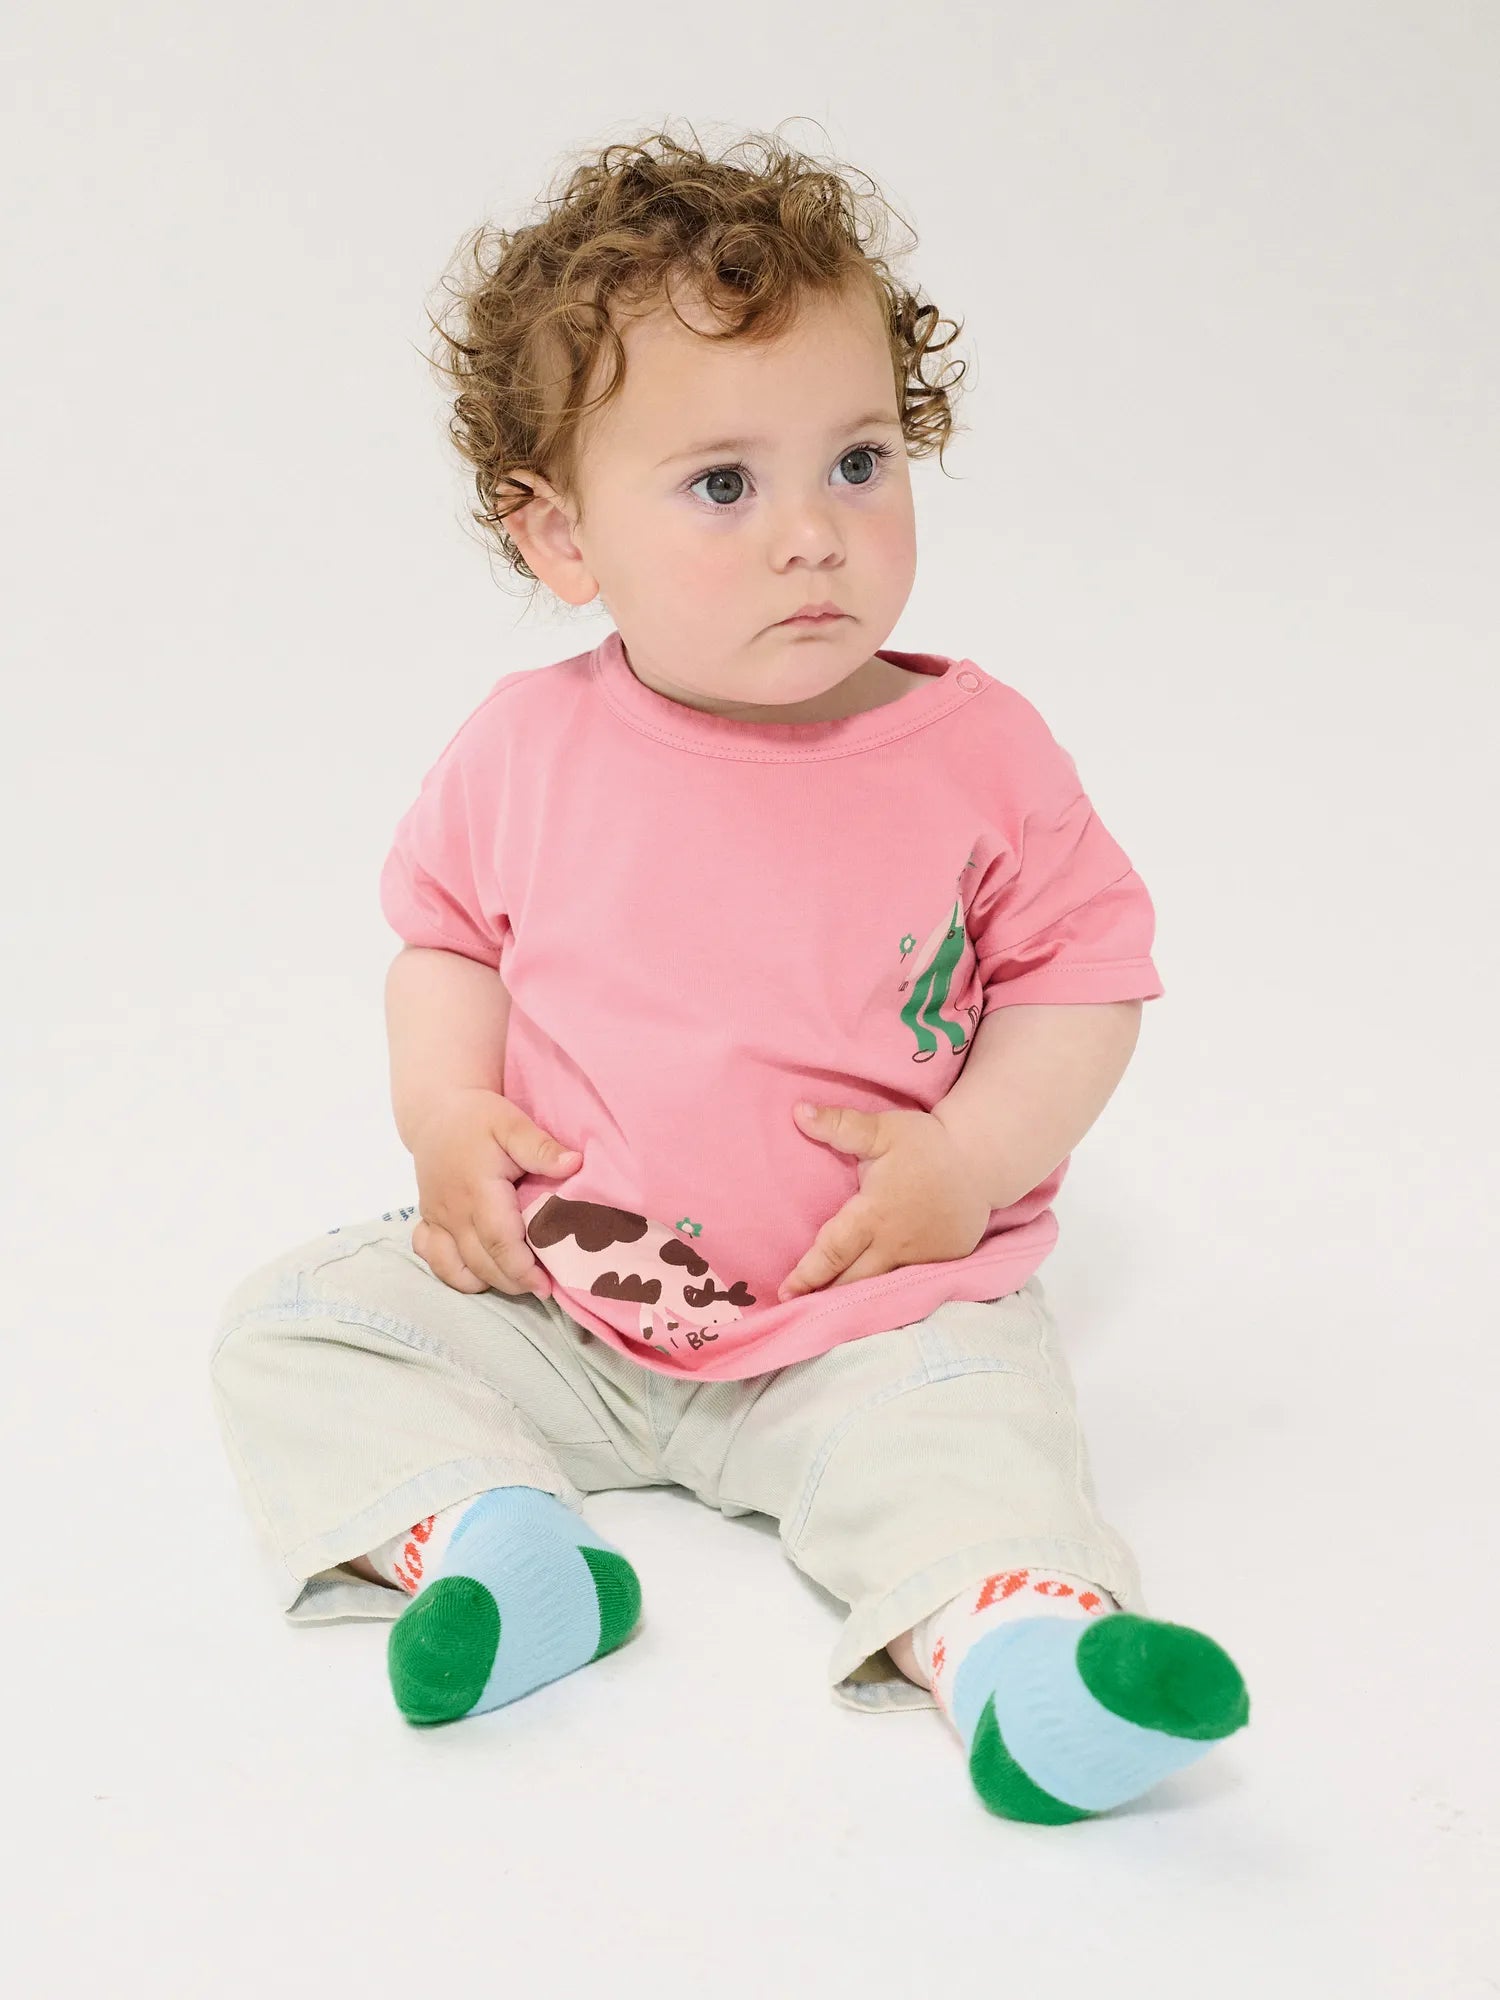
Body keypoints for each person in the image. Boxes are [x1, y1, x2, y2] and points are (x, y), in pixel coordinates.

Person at [209, 124, 1249, 1825]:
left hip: (867, 1312)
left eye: (859, 461)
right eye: (722, 486)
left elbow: (1085, 979)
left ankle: (1021, 1658)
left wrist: (969, 1160)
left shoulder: (977, 754)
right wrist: (444, 1112)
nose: (815, 535)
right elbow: (447, 939)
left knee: (977, 1439)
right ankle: (497, 1540)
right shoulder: (527, 747)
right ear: (560, 537)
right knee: (301, 1325)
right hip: (567, 1290)